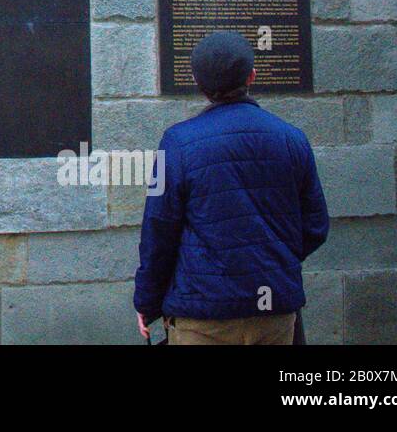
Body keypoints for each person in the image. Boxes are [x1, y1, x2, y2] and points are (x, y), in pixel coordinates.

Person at [133, 31, 329, 345]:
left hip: (203, 315)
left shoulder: (177, 143)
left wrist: (147, 301)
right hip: (273, 310)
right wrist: (272, 260)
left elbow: (159, 230)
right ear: (252, 76)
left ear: (197, 82)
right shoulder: (292, 139)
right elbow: (315, 226)